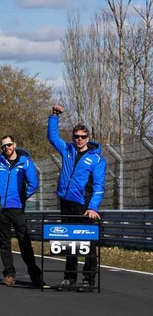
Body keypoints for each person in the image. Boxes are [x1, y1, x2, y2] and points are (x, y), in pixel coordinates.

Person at [48, 105, 107, 292]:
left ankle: (88, 280)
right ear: (73, 137)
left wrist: (93, 208)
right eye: (76, 137)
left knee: (88, 244)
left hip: (84, 205)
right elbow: (52, 137)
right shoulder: (67, 150)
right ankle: (69, 278)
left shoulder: (97, 159)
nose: (79, 140)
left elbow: (99, 186)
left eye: (82, 137)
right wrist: (54, 116)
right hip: (66, 203)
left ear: (88, 138)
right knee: (68, 242)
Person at [0, 136, 46, 288]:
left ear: (14, 145)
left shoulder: (26, 162)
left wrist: (22, 197)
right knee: (4, 243)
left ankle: (35, 276)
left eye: (9, 145)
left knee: (25, 242)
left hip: (16, 207)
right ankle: (9, 274)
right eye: (3, 146)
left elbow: (33, 184)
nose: (7, 148)